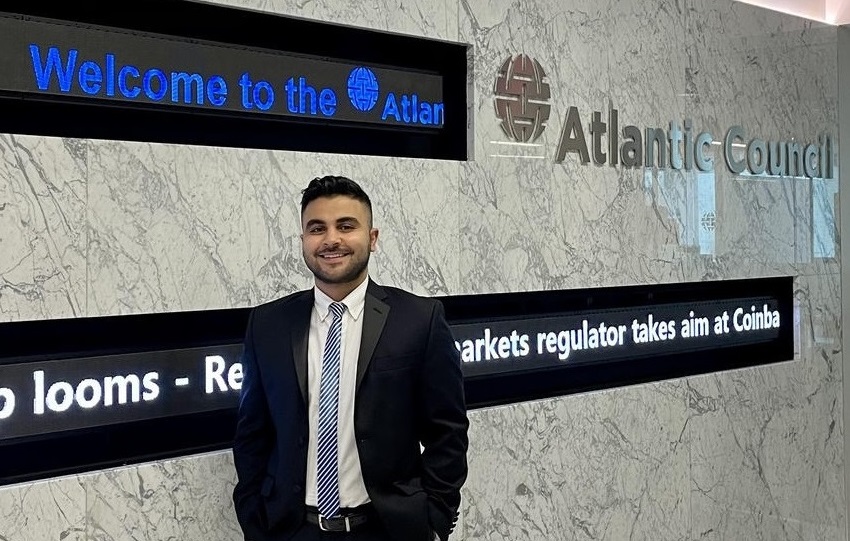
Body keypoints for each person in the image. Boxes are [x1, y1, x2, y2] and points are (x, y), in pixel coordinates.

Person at [232, 175, 469, 541]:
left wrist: (433, 518)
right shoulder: (267, 325)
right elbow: (252, 434)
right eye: (317, 228)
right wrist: (255, 520)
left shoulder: (420, 321)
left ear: (372, 239)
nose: (331, 240)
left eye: (346, 226)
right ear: (302, 241)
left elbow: (447, 433)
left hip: (386, 531)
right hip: (292, 531)